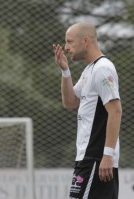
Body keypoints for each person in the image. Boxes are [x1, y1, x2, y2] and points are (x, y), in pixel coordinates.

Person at [53, 22, 122, 199]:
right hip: (88, 159)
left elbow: (115, 111)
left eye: (70, 42)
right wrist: (65, 70)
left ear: (85, 41)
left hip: (96, 159)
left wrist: (107, 155)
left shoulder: (102, 69)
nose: (66, 47)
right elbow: (70, 102)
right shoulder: (90, 70)